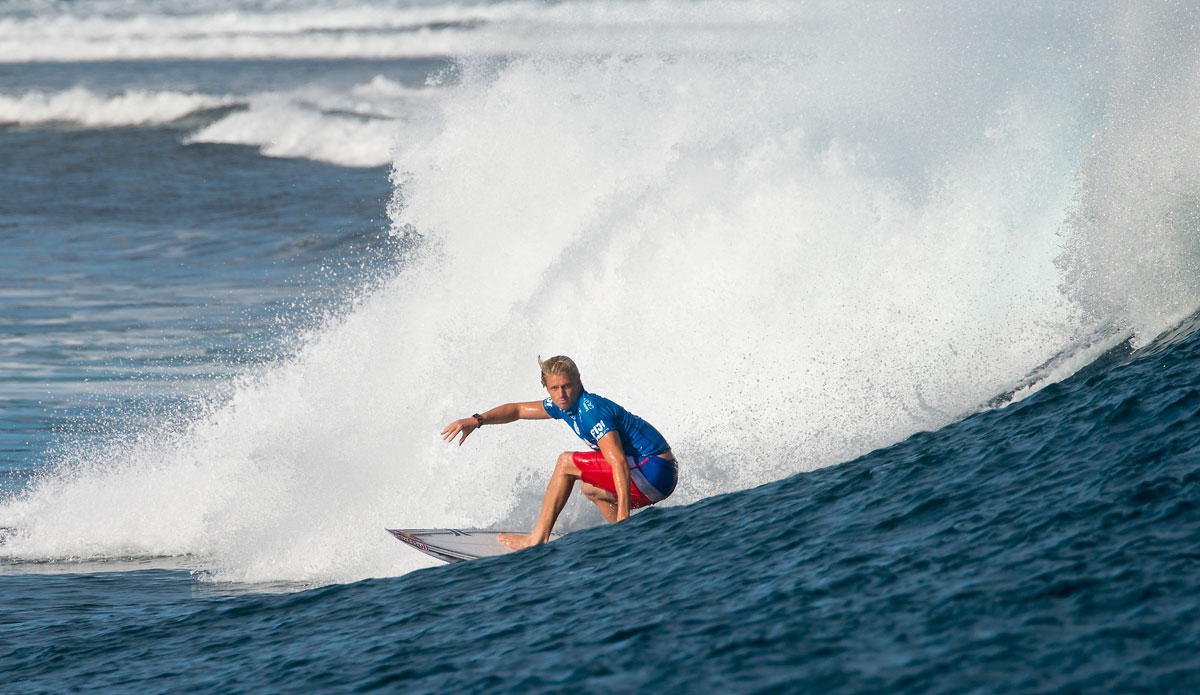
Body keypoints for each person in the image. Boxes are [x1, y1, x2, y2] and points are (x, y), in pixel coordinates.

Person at [441, 355, 678, 550]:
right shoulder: (562, 406)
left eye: (567, 386)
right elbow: (517, 410)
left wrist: (624, 513)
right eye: (554, 388)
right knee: (589, 488)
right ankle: (624, 537)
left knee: (566, 463)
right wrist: (477, 420)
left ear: (579, 383)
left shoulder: (590, 410)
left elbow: (618, 463)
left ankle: (538, 538)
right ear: (547, 388)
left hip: (655, 469)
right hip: (655, 474)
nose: (561, 393)